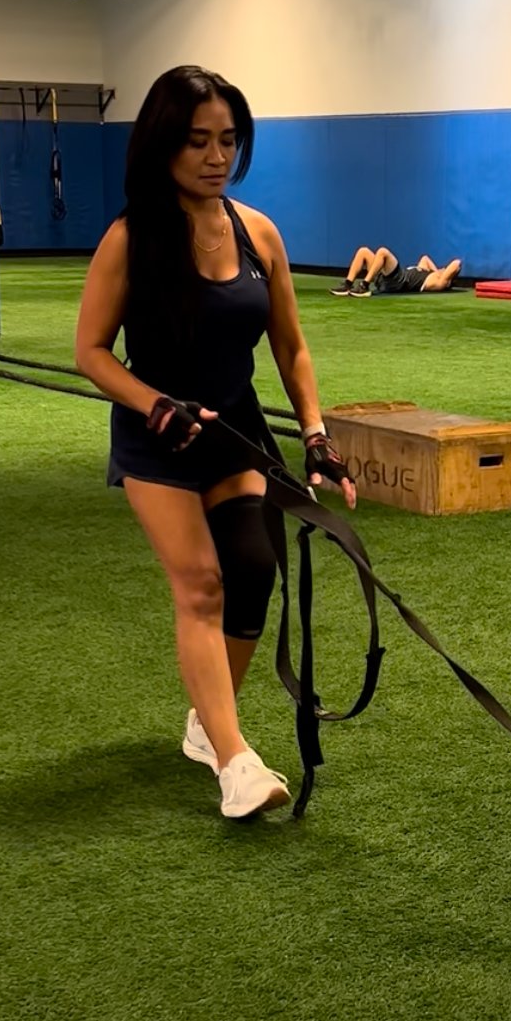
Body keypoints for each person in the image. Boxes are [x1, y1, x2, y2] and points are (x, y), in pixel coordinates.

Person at [75, 65, 356, 820]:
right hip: (156, 441)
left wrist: (318, 435)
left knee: (254, 571)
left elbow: (291, 349)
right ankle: (235, 760)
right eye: (197, 140)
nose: (214, 155)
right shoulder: (129, 240)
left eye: (227, 140)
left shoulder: (257, 232)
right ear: (163, 144)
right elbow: (92, 352)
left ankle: (208, 722)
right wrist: (152, 402)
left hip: (234, 431)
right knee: (200, 584)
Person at [331, 245, 461, 298]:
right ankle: (347, 285)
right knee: (363, 251)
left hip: (398, 282)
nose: (444, 267)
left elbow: (457, 263)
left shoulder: (438, 282)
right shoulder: (428, 272)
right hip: (388, 278)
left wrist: (441, 273)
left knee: (383, 252)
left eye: (445, 269)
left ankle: (364, 286)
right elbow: (425, 258)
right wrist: (437, 270)